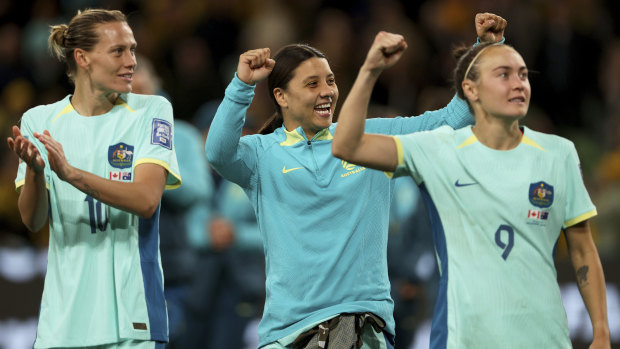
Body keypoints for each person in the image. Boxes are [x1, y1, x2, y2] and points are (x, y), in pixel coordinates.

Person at [205, 13, 506, 348]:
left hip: (359, 326)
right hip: (285, 333)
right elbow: (218, 152)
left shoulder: (370, 137)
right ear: (281, 96)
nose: (327, 92)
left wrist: (486, 51)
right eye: (312, 83)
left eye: (330, 81)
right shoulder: (261, 155)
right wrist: (242, 85)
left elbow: (452, 119)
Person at [331, 38, 610, 347]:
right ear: (471, 90)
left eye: (523, 74)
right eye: (504, 75)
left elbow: (583, 248)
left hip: (545, 339)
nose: (518, 84)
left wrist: (601, 331)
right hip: (463, 338)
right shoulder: (437, 148)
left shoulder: (559, 153)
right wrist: (370, 70)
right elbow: (347, 144)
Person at [6, 9, 181, 349]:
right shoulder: (40, 121)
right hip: (61, 323)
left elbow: (146, 200)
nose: (131, 60)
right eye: (119, 51)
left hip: (133, 321)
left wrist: (71, 175)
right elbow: (33, 219)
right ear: (82, 58)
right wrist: (36, 173)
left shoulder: (151, 111)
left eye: (132, 49)